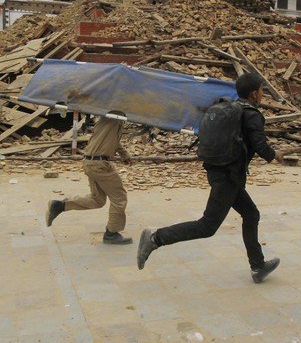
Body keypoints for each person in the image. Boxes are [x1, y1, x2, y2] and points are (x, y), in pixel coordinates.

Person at [137, 73, 285, 282]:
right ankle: (155, 238)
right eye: (262, 90)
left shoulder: (231, 109)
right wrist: (275, 155)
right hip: (228, 177)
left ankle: (258, 266)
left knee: (251, 214)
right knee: (207, 226)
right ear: (254, 94)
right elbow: (261, 146)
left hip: (220, 172)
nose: (262, 95)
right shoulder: (251, 114)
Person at [45, 115, 134, 245]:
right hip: (100, 164)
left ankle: (59, 206)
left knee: (97, 200)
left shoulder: (108, 119)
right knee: (119, 198)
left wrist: (124, 154)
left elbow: (113, 140)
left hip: (91, 162)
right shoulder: (114, 117)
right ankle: (112, 233)